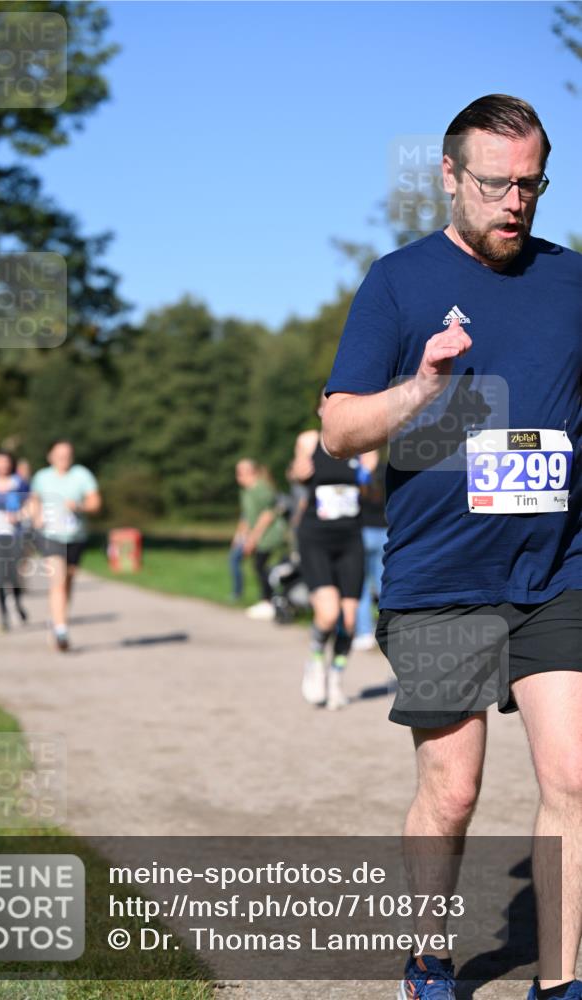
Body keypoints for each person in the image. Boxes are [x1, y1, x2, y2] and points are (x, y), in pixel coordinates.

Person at [322, 95, 581, 1000]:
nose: (516, 200)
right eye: (496, 183)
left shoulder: (572, 281)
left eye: (533, 183)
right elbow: (338, 431)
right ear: (447, 176)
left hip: (558, 573)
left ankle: (560, 981)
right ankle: (428, 958)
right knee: (452, 791)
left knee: (574, 775)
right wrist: (418, 389)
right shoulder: (395, 281)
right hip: (439, 578)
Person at [291, 391, 364, 710]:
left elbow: (369, 479)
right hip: (315, 536)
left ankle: (336, 680)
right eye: (329, 403)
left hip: (350, 537)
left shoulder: (363, 442)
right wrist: (297, 471)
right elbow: (295, 473)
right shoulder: (309, 439)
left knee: (348, 622)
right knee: (328, 613)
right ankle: (315, 658)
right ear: (322, 409)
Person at [29, 440, 101, 651]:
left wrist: (79, 506)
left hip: (75, 536)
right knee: (58, 581)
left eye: (67, 455)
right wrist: (37, 516)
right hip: (50, 535)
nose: (64, 459)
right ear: (50, 456)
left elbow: (95, 503)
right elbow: (34, 500)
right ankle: (61, 630)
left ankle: (58, 620)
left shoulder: (82, 475)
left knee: (68, 581)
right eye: (59, 455)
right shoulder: (42, 477)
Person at [234, 459, 287, 621]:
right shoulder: (247, 491)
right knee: (258, 566)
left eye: (240, 472)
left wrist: (252, 539)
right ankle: (267, 600)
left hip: (269, 535)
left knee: (260, 566)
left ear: (251, 472)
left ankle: (269, 601)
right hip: (258, 535)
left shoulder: (262, 489)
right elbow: (247, 516)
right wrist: (240, 535)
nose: (237, 476)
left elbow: (267, 516)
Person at [0, 450, 29, 630]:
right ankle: (3, 616)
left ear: (10, 464)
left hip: (15, 534)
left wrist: (19, 515)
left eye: (5, 462)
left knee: (14, 575)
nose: (2, 465)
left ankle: (17, 604)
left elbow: (31, 504)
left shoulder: (20, 483)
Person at [353, 450, 388, 651]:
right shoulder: (387, 470)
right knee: (384, 583)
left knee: (362, 585)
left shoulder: (357, 471)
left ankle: (365, 632)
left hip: (363, 532)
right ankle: (389, 629)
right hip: (385, 531)